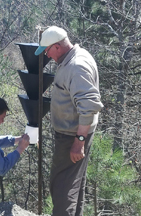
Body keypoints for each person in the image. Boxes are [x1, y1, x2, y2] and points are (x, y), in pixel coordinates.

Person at [35, 26, 104, 216]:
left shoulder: (76, 66)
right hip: (74, 134)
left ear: (57, 46)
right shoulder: (75, 57)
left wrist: (79, 141)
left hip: (71, 137)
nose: (47, 56)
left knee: (62, 188)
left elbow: (89, 105)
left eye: (47, 51)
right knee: (74, 185)